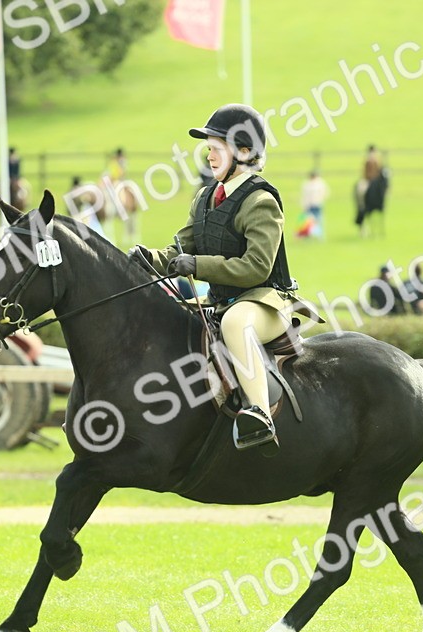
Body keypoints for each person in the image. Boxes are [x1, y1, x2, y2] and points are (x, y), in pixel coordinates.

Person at [135, 103, 318, 453]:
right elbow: (180, 249)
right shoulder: (205, 198)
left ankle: (260, 414)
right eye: (209, 150)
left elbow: (256, 267)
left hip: (263, 300)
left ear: (245, 152)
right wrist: (149, 258)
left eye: (216, 149)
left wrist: (198, 266)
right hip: (220, 299)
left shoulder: (261, 201)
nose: (210, 157)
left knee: (235, 323)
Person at [300, 171, 329, 240]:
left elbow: (325, 193)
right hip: (310, 205)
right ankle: (310, 235)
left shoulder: (319, 183)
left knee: (318, 220)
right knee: (309, 221)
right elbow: (305, 196)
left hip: (317, 204)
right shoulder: (307, 184)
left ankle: (320, 236)